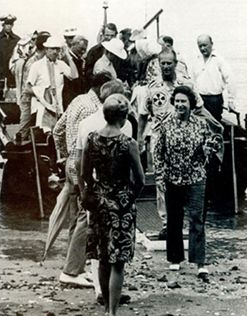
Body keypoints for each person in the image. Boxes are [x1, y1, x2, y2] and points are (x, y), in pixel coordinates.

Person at [49, 73, 117, 288]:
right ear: (101, 89)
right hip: (83, 166)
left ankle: (75, 266)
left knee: (75, 217)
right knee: (84, 218)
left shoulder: (78, 100)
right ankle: (71, 270)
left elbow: (57, 130)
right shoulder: (94, 111)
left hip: (71, 163)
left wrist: (63, 155)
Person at [79, 94, 145, 316]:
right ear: (124, 118)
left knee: (102, 256)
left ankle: (105, 305)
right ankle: (112, 312)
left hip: (99, 201)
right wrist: (130, 196)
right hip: (121, 202)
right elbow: (140, 179)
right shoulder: (128, 144)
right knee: (118, 260)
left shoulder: (92, 139)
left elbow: (84, 174)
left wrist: (92, 193)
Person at [135, 49, 210, 239]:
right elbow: (143, 116)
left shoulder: (186, 85)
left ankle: (185, 221)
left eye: (169, 63)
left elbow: (200, 109)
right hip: (160, 140)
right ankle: (167, 223)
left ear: (176, 63)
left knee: (188, 181)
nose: (166, 66)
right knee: (162, 181)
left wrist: (206, 133)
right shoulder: (151, 88)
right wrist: (140, 139)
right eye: (163, 63)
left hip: (186, 141)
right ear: (159, 64)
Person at [154, 85, 220, 278]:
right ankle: (175, 259)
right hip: (172, 177)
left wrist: (210, 148)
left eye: (184, 101)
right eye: (178, 101)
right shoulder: (166, 124)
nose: (181, 105)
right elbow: (158, 152)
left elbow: (210, 145)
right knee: (174, 219)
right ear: (174, 103)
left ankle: (200, 262)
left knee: (197, 219)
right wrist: (160, 176)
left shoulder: (201, 124)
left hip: (196, 177)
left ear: (191, 104)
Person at [22, 37, 77, 137]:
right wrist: (44, 94)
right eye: (52, 49)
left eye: (57, 49)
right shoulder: (36, 66)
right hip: (41, 107)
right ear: (46, 49)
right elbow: (27, 88)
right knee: (44, 135)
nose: (55, 52)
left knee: (57, 135)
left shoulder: (61, 64)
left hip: (57, 107)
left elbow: (74, 76)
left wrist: (69, 57)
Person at [192, 34, 236, 122]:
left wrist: (231, 100)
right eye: (200, 46)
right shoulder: (197, 60)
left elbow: (230, 79)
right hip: (199, 99)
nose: (202, 48)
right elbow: (193, 81)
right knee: (200, 124)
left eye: (205, 45)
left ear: (211, 44)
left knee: (214, 125)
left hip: (215, 100)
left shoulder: (219, 60)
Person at [62, 35, 89, 110]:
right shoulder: (66, 60)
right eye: (81, 49)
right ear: (73, 45)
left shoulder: (80, 60)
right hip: (69, 98)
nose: (83, 52)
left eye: (85, 50)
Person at [10, 31, 37, 103]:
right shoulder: (21, 44)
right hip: (19, 67)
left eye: (36, 39)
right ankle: (20, 99)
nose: (35, 41)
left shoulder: (38, 47)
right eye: (33, 39)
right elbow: (16, 59)